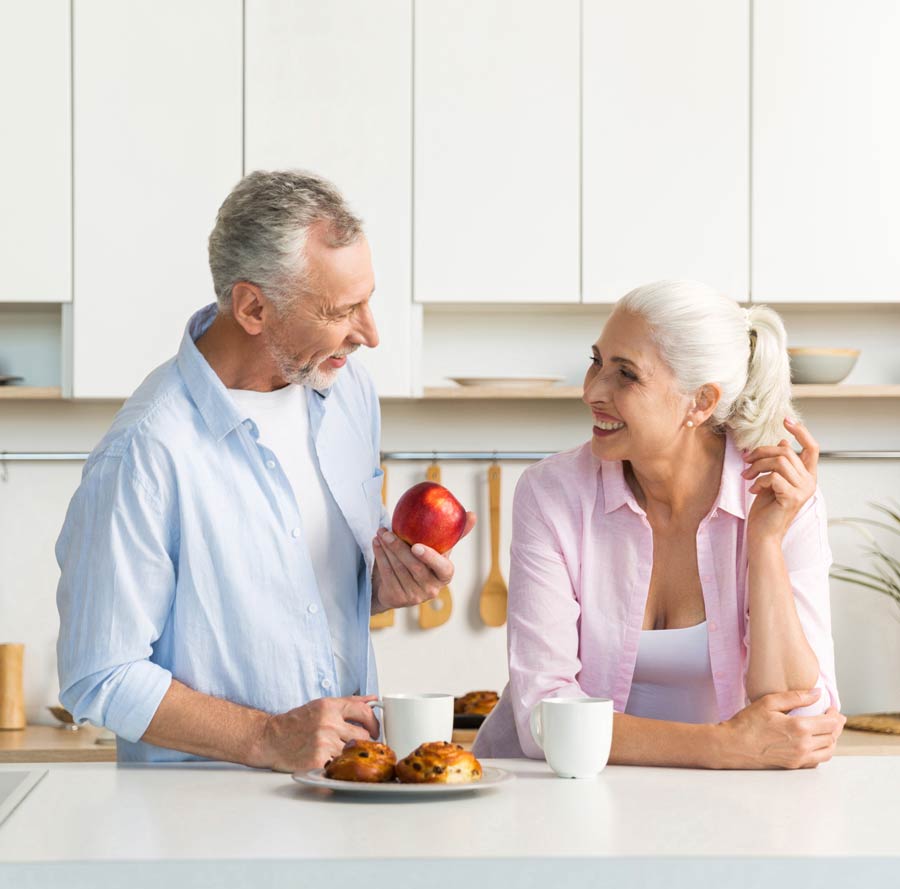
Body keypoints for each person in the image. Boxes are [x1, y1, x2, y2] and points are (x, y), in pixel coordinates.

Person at [55, 170, 474, 770]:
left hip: (343, 790)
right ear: (253, 306)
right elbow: (99, 673)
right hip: (204, 827)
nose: (371, 335)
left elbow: (312, 596)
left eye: (369, 300)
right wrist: (266, 736)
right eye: (343, 310)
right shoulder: (146, 451)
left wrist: (381, 585)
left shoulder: (345, 391)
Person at [474, 280, 845, 769]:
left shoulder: (779, 497)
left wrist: (765, 543)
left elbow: (801, 719)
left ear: (701, 401)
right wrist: (721, 746)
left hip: (723, 803)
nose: (591, 391)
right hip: (557, 791)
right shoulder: (552, 493)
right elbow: (542, 716)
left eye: (625, 375)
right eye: (596, 362)